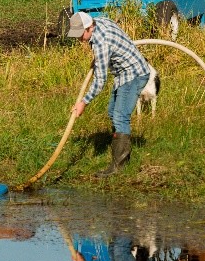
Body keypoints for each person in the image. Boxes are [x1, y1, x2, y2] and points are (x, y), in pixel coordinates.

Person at [65, 11, 153, 176]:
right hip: (122, 73)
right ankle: (121, 150)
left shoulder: (101, 43)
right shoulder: (100, 21)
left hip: (134, 74)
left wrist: (83, 102)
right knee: (113, 112)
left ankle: (119, 167)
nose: (79, 39)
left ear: (90, 27)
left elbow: (100, 81)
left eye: (81, 34)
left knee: (120, 116)